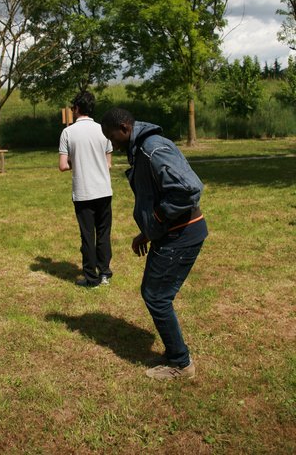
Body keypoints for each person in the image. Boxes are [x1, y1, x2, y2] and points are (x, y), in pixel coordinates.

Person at [101, 108, 208, 380]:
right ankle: (177, 355)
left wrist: (157, 220)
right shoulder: (142, 148)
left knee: (157, 297)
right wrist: (147, 232)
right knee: (154, 294)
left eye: (112, 137)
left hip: (182, 233)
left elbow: (187, 189)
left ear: (124, 127)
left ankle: (181, 364)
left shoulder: (152, 148)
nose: (112, 143)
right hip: (172, 232)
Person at [59, 91, 113, 288]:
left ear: (77, 108)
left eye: (73, 108)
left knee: (87, 235)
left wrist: (78, 162)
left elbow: (63, 165)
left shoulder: (68, 132)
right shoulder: (103, 130)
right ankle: (105, 272)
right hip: (104, 190)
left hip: (83, 192)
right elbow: (108, 163)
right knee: (104, 233)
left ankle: (91, 277)